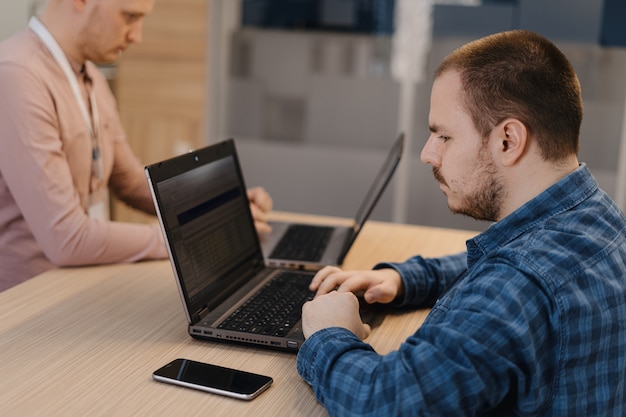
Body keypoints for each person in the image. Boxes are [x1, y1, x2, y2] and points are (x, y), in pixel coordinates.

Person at [297, 30, 626, 416]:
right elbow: (506, 267)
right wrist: (406, 280)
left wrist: (328, 333)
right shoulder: (597, 216)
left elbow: (386, 402)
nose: (427, 154)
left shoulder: (517, 284)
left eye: (443, 135)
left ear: (508, 140)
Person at [0, 0, 273, 292]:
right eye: (129, 16)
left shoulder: (90, 76)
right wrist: (183, 236)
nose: (136, 36)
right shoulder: (16, 75)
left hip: (83, 285)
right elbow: (66, 239)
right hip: (29, 305)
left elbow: (130, 183)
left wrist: (217, 204)